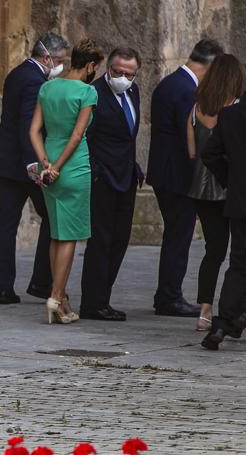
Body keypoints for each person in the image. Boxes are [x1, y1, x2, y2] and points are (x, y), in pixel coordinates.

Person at [0, 32, 69, 305]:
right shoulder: (35, 81)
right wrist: (34, 165)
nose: (61, 67)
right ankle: (41, 281)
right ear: (47, 57)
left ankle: (5, 287)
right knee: (51, 218)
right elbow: (27, 125)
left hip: (6, 163)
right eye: (59, 61)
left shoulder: (17, 73)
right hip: (25, 165)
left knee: (7, 223)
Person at [146, 39, 224, 317]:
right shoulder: (186, 91)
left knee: (176, 234)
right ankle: (169, 297)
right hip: (177, 174)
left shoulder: (171, 83)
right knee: (179, 235)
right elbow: (190, 137)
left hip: (165, 172)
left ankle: (167, 294)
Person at [29, 38, 104, 324]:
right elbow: (77, 136)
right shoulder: (87, 92)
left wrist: (45, 162)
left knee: (57, 232)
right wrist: (58, 166)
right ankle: (57, 296)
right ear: (91, 65)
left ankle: (58, 299)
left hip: (48, 159)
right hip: (73, 166)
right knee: (71, 235)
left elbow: (34, 130)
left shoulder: (47, 86)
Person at [80, 47, 143, 321]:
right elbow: (85, 136)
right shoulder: (93, 94)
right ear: (109, 69)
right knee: (100, 241)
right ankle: (93, 302)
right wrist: (96, 171)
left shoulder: (133, 92)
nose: (123, 77)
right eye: (118, 72)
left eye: (129, 74)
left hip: (126, 176)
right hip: (103, 178)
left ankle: (103, 297)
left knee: (120, 240)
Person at [187, 55, 246, 331]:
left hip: (203, 187)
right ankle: (237, 312)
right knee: (241, 255)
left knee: (214, 251)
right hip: (234, 190)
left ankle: (205, 310)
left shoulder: (198, 108)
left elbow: (194, 151)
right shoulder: (236, 109)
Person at [200, 77, 246, 350]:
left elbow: (210, 153)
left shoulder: (231, 115)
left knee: (240, 263)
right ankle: (240, 314)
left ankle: (223, 321)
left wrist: (231, 180)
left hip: (241, 201)